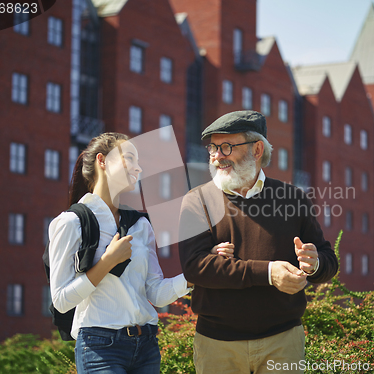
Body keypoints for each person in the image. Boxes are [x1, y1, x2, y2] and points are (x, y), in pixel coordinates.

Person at [178, 110, 339, 374]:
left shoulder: (293, 199)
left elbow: (328, 260)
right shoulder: (197, 201)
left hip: (283, 341)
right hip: (217, 345)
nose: (217, 156)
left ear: (257, 149)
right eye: (213, 148)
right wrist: (268, 273)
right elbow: (195, 267)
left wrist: (314, 263)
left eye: (227, 147)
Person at [48, 132, 193, 374]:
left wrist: (193, 277)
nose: (138, 168)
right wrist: (107, 262)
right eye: (129, 158)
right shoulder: (71, 223)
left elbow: (154, 294)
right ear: (102, 161)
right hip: (100, 348)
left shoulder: (140, 224)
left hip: (146, 346)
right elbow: (61, 301)